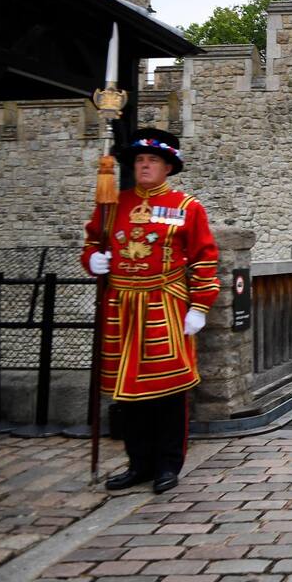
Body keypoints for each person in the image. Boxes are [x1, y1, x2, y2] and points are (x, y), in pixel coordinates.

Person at [81, 128, 220, 494]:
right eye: (140, 160)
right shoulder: (113, 204)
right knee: (128, 393)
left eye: (152, 161)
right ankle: (138, 463)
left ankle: (167, 464)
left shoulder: (186, 207)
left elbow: (205, 259)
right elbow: (94, 240)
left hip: (164, 306)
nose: (145, 166)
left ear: (167, 167)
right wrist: (92, 259)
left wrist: (200, 305)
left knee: (167, 391)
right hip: (122, 308)